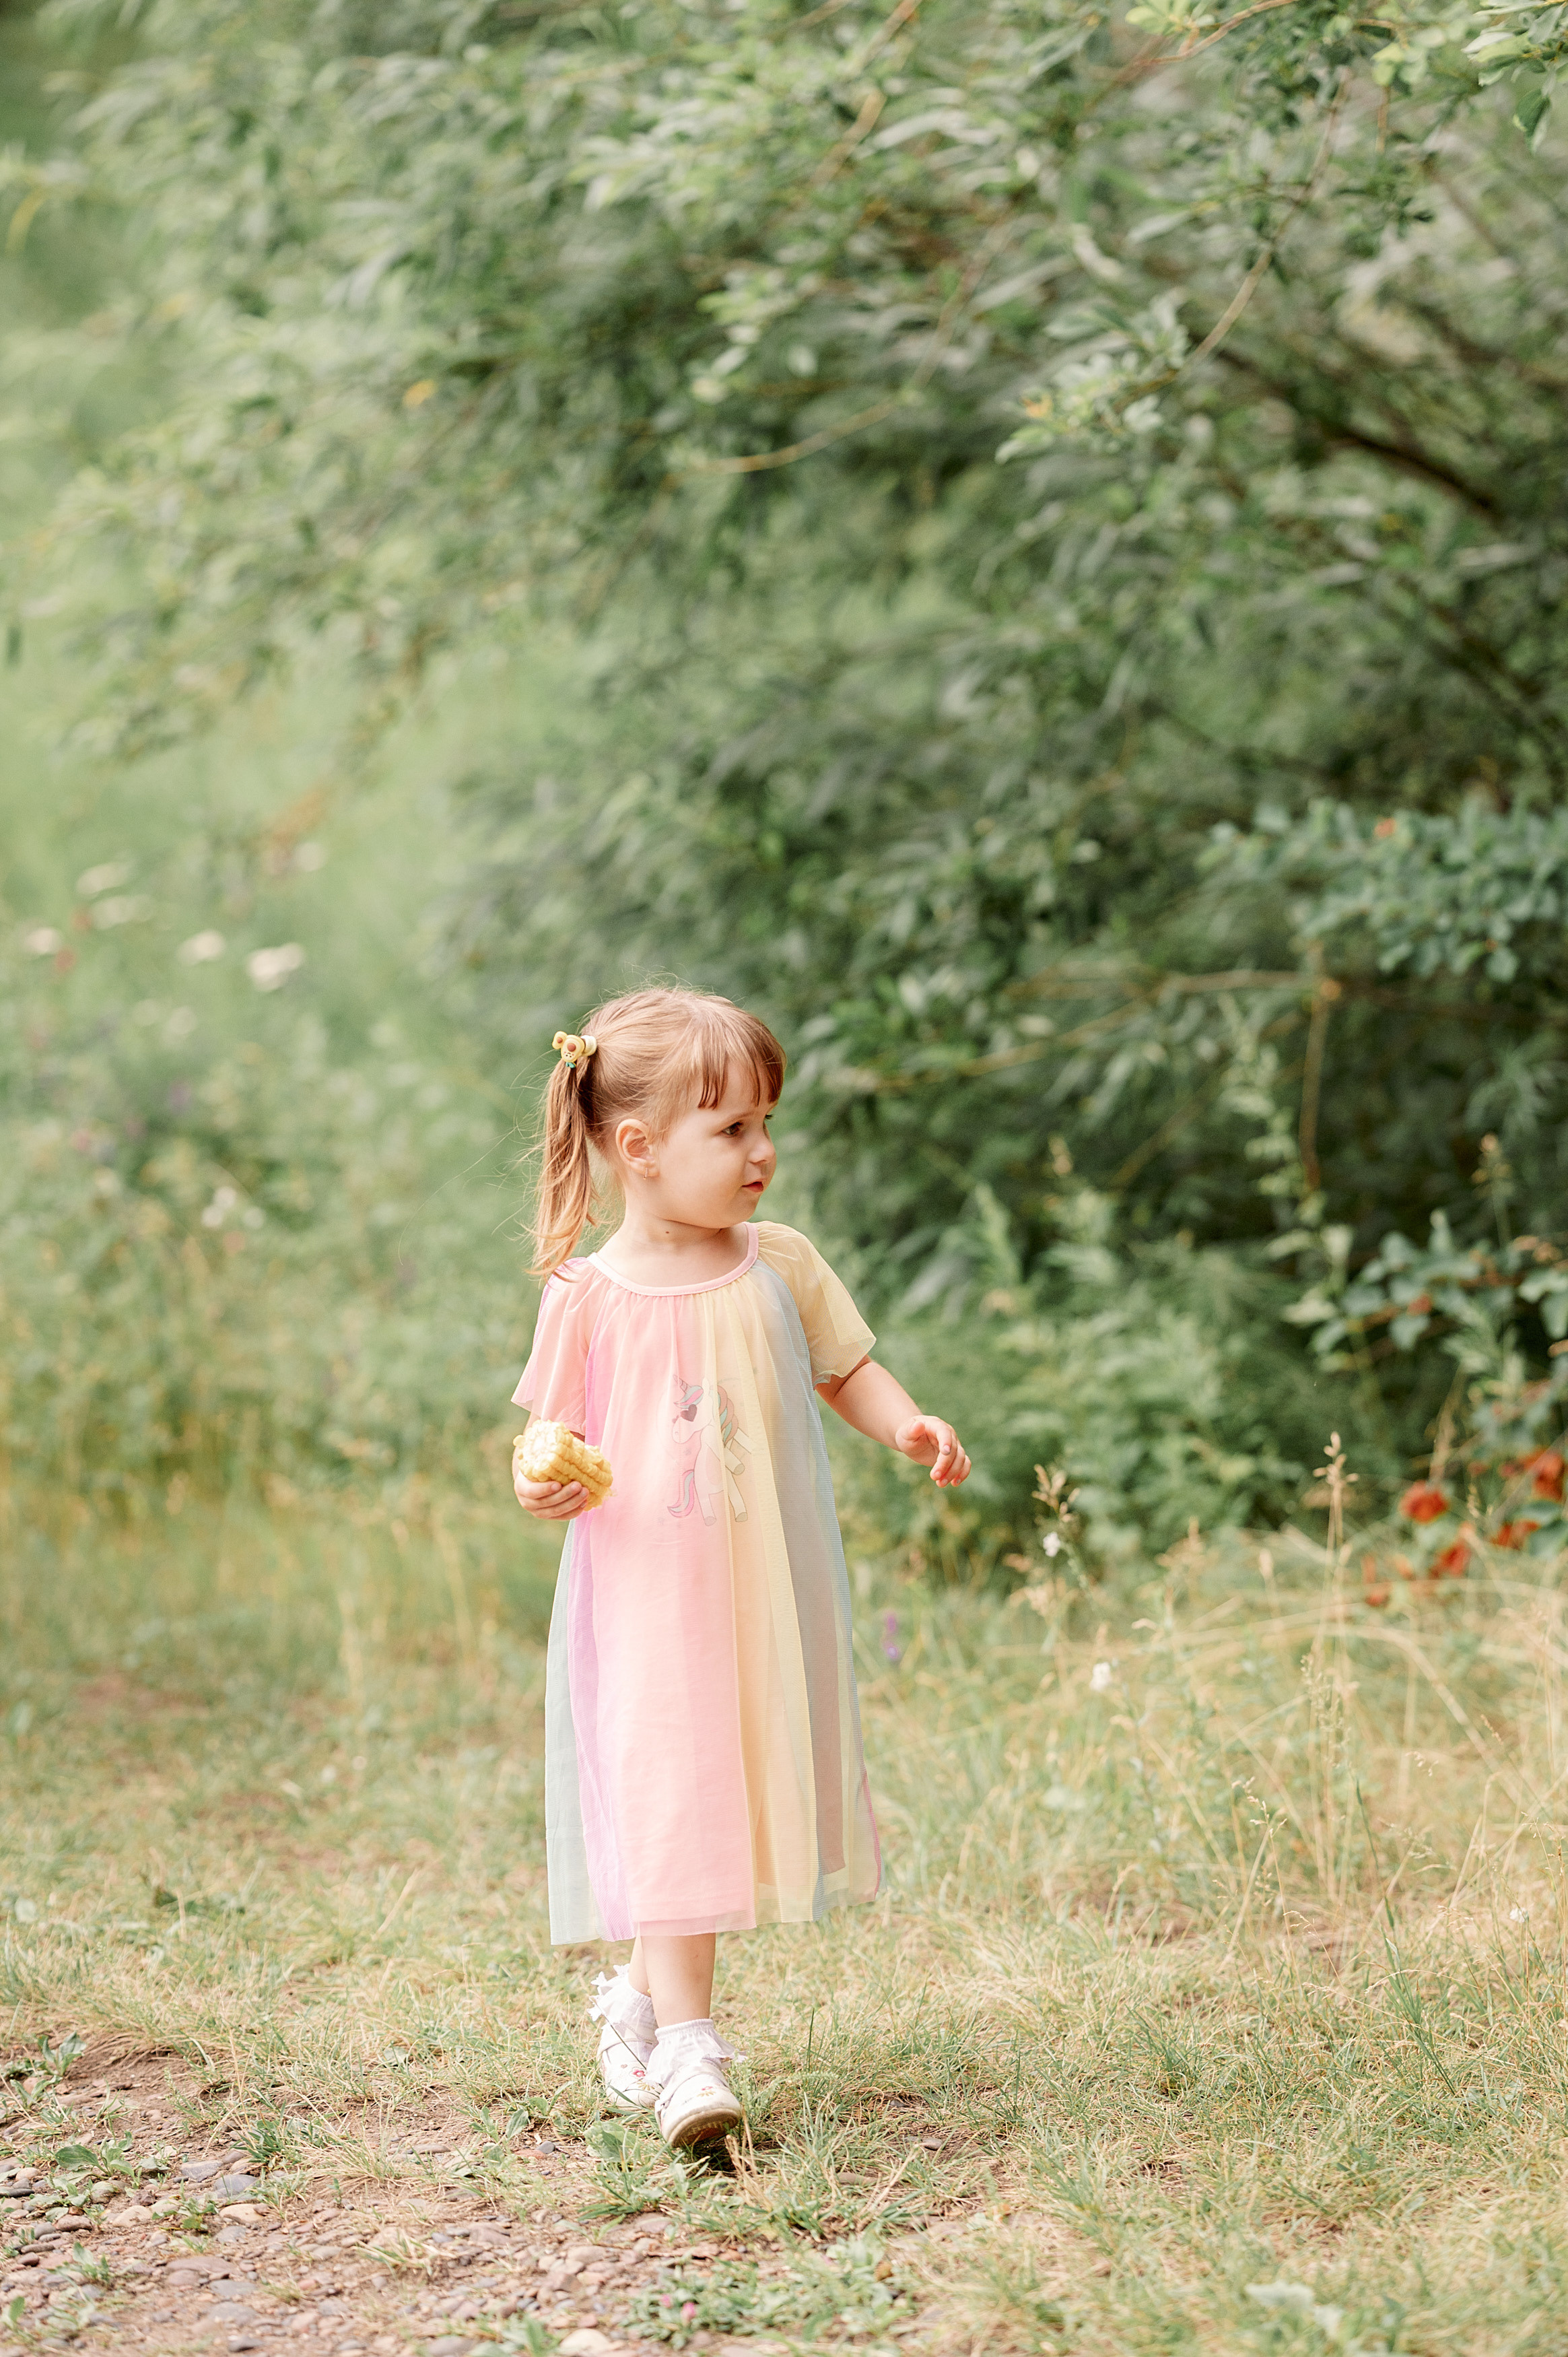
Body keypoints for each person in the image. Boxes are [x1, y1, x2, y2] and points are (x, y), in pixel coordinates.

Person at [510, 987, 971, 2151]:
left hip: (754, 1592)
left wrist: (907, 1424)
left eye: (766, 1122)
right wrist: (537, 1478)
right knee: (672, 1794)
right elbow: (544, 1432)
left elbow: (846, 1368)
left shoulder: (780, 1264)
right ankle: (688, 2050)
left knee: (722, 1789)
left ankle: (638, 1998)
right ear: (638, 1150)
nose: (762, 1151)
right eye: (731, 1130)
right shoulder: (586, 1294)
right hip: (643, 1597)